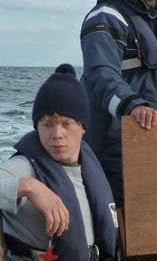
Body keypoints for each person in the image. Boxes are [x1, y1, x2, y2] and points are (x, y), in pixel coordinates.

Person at [80, 0, 157, 206]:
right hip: (114, 144)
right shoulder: (105, 18)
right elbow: (101, 75)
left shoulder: (151, 18)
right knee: (122, 219)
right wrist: (133, 105)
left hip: (145, 138)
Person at [0, 64, 117, 261]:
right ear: (37, 127)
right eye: (47, 125)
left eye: (66, 124)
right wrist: (28, 186)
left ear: (82, 127)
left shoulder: (90, 163)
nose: (57, 135)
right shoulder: (24, 166)